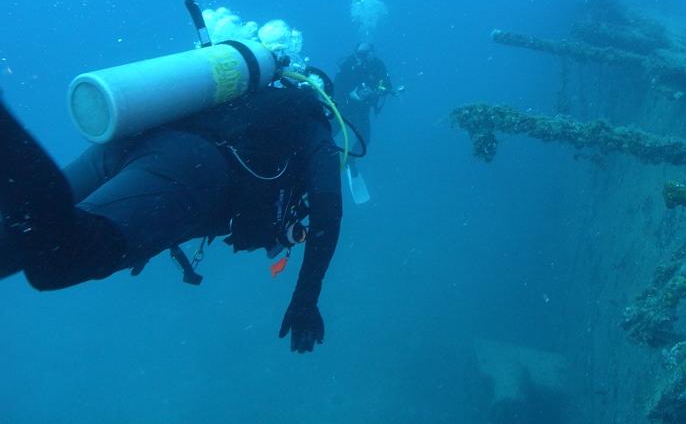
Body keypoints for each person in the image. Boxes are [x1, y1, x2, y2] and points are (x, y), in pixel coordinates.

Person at [0, 77, 342, 354]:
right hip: (190, 171)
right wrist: (306, 298)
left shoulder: (239, 94)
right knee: (59, 261)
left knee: (15, 241)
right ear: (326, 103)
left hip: (131, 142)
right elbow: (328, 211)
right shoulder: (313, 126)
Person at [333, 42, 397, 159]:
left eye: (365, 53)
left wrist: (375, 92)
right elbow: (336, 86)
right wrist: (350, 95)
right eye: (359, 54)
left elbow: (387, 86)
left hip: (362, 110)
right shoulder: (349, 64)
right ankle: (326, 154)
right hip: (344, 106)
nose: (362, 57)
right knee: (330, 131)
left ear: (372, 52)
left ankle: (350, 160)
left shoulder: (378, 65)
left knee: (365, 140)